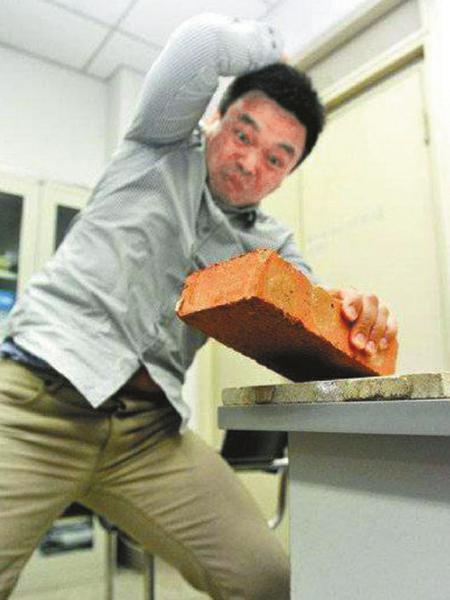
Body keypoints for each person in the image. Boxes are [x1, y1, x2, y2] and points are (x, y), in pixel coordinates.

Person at [0, 13, 397, 600]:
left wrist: (356, 318)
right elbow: (202, 43)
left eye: (276, 158)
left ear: (286, 175)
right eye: (243, 134)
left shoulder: (271, 245)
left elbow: (320, 329)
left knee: (270, 581)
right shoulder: (159, 145)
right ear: (216, 118)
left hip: (148, 434)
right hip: (35, 403)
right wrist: (272, 48)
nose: (250, 162)